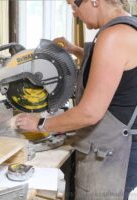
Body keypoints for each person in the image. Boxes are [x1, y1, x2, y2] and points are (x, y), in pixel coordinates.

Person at [15, 0, 137, 199]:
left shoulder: (114, 36)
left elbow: (89, 112)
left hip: (113, 151)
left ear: (94, 1)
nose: (74, 14)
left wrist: (40, 123)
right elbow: (116, 66)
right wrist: (75, 50)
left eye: (74, 6)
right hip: (120, 144)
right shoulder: (128, 26)